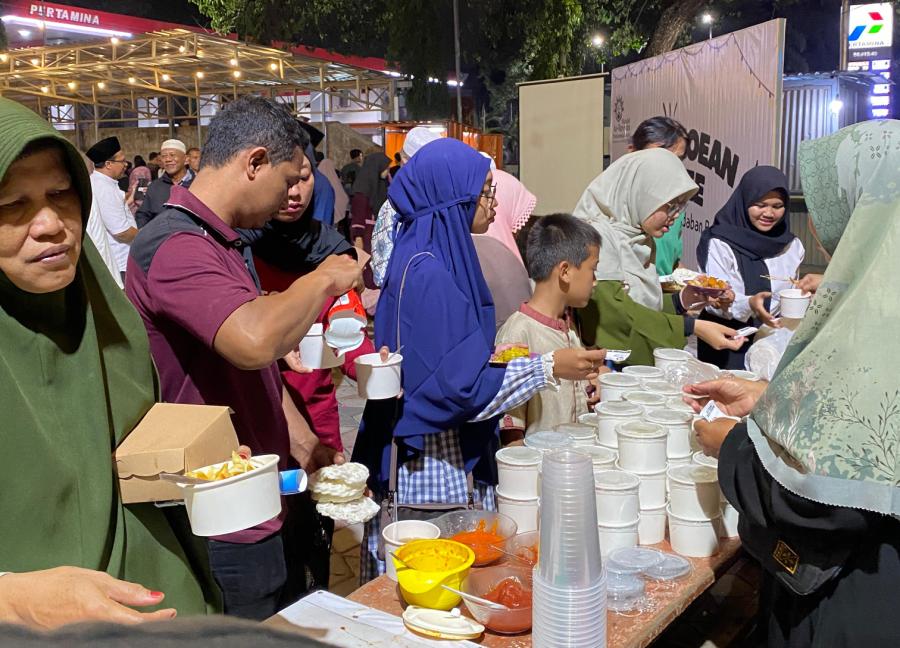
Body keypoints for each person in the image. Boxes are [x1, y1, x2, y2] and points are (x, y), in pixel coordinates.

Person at [125, 96, 362, 620]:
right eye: (287, 179)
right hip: (224, 517)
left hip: (263, 496)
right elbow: (253, 342)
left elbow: (256, 368)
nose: (288, 197)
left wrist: (301, 440)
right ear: (254, 162)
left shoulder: (221, 241)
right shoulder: (176, 245)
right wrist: (325, 277)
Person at [0, 97, 214, 629]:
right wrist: (13, 600)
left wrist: (194, 466)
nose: (50, 224)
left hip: (165, 616)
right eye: (11, 205)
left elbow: (123, 468)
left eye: (60, 194)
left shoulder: (106, 320)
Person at [685, 119, 900, 647]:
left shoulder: (875, 327)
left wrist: (733, 447)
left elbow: (819, 498)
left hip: (858, 598)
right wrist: (769, 399)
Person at [352, 139, 607, 580]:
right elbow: (455, 389)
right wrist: (547, 367)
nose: (493, 202)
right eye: (486, 191)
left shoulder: (429, 256)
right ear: (454, 198)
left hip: (430, 449)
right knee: (442, 577)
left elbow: (445, 362)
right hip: (433, 465)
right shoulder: (430, 272)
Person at [242, 159, 373, 602]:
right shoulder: (239, 249)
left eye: (304, 179)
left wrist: (375, 368)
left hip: (317, 416)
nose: (295, 192)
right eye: (287, 180)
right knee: (270, 531)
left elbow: (348, 328)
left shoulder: (330, 250)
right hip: (258, 415)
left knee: (317, 529)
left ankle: (314, 607)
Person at [574, 148, 743, 366]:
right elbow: (615, 317)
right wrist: (690, 327)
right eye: (670, 206)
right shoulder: (596, 237)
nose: (675, 216)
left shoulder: (639, 238)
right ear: (640, 194)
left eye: (681, 206)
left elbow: (641, 305)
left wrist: (681, 301)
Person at [496, 214, 605, 441]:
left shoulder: (568, 325)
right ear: (565, 271)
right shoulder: (517, 333)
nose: (594, 280)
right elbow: (510, 428)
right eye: (592, 269)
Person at [696, 166, 804, 369]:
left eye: (777, 206)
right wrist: (750, 304)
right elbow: (714, 301)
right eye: (760, 205)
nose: (769, 213)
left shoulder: (792, 246)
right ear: (744, 201)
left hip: (771, 344)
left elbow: (789, 293)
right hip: (726, 342)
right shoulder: (720, 242)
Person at [370, 127, 442, 287]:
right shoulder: (447, 202)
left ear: (404, 161)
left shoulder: (394, 205)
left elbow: (381, 272)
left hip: (401, 290)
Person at [627, 117, 689, 276]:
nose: (669, 167)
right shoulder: (612, 210)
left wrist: (693, 282)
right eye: (659, 158)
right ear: (632, 152)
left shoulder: (675, 207)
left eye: (677, 160)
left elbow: (670, 261)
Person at [86, 136, 138, 282]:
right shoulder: (104, 188)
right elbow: (122, 232)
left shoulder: (102, 183)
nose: (125, 165)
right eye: (122, 161)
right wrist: (145, 236)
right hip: (119, 262)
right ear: (108, 164)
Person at [350, 151, 390, 288]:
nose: (388, 170)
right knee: (368, 270)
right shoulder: (362, 189)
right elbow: (358, 215)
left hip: (378, 234)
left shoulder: (381, 185)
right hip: (366, 235)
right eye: (386, 167)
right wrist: (358, 237)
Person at [135, 140, 194, 228]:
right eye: (164, 156)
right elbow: (143, 215)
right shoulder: (154, 187)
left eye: (172, 155)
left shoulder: (198, 184)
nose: (168, 159)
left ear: (186, 159)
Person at [316, 157, 349, 227]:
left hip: (316, 220)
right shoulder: (336, 183)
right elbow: (344, 199)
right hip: (332, 222)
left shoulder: (316, 181)